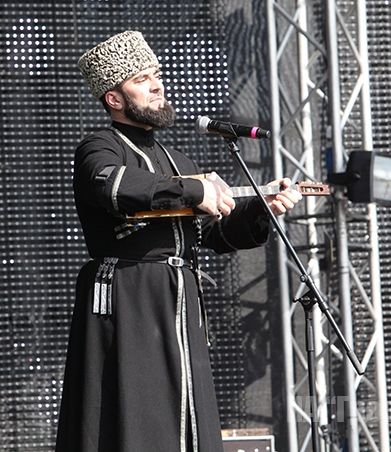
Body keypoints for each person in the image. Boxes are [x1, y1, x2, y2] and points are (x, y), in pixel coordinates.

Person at [55, 30, 302, 452]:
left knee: (187, 420)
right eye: (142, 79)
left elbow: (212, 234)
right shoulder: (99, 147)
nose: (157, 85)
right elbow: (116, 188)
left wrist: (263, 209)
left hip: (179, 299)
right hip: (130, 300)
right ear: (114, 99)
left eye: (157, 74)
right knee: (137, 419)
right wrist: (193, 190)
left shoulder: (177, 160)